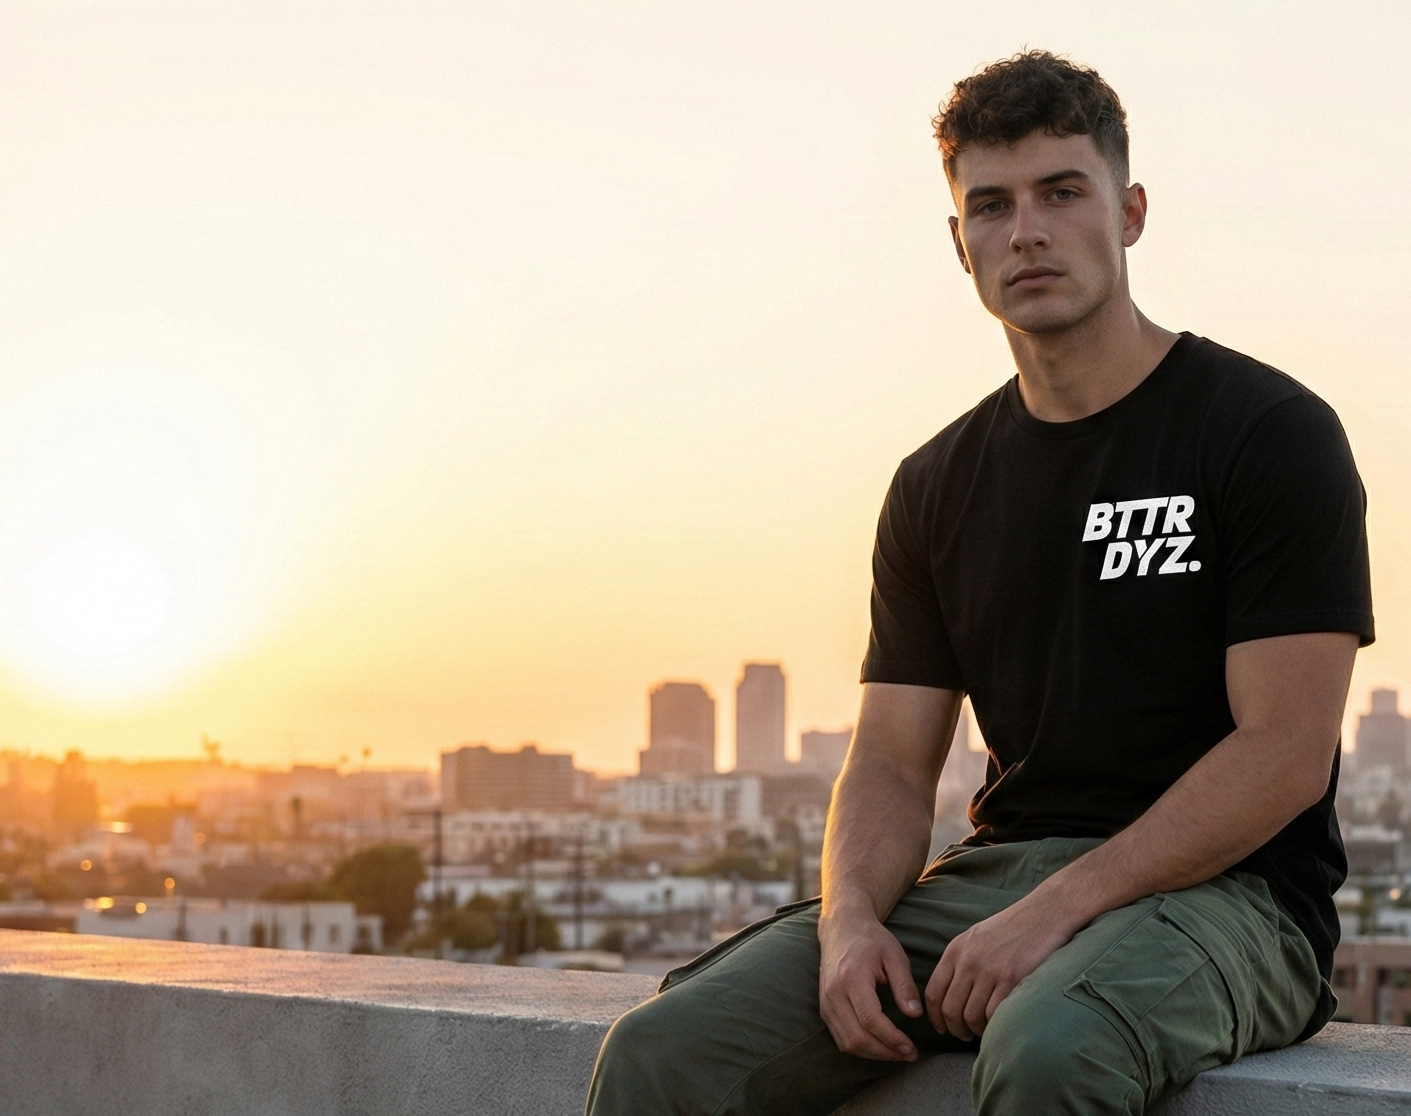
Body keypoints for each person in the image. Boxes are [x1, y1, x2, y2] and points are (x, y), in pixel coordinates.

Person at [584, 50, 1373, 1116]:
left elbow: (1283, 751)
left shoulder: (1265, 434)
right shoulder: (934, 484)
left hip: (1234, 898)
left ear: (1129, 212)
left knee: (1052, 1050)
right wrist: (850, 921)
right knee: (663, 1054)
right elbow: (891, 767)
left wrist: (1059, 908)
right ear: (959, 245)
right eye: (989, 207)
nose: (1026, 232)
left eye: (1061, 192)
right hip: (998, 876)